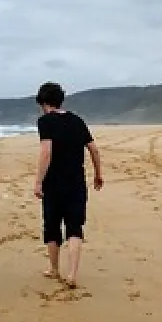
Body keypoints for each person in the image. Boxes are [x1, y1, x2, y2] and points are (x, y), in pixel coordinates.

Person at [33, 81, 103, 288]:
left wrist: (38, 182)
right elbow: (94, 149)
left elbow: (46, 152)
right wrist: (98, 174)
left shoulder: (45, 121)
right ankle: (71, 274)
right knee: (74, 227)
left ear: (43, 102)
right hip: (76, 183)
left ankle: (54, 269)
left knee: (52, 226)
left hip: (53, 184)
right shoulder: (77, 120)